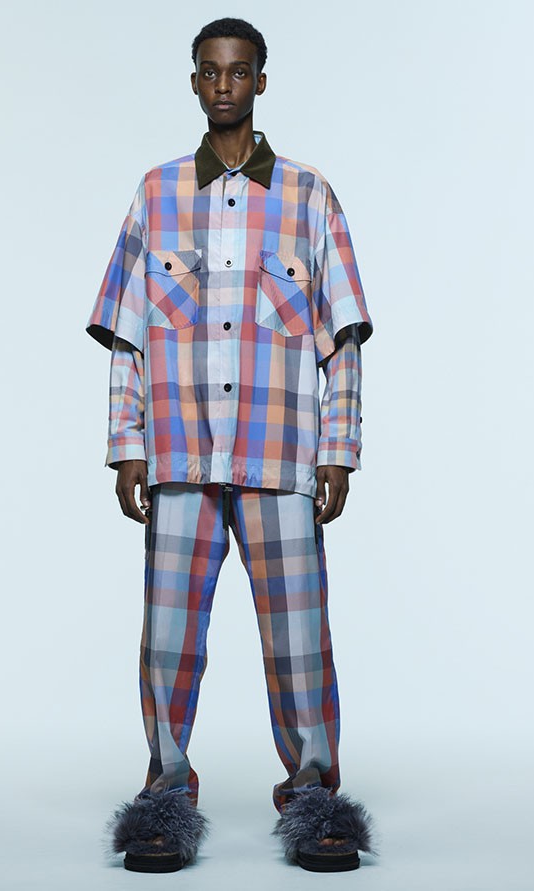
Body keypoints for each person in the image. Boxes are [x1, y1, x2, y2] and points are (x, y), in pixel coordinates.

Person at [86, 16, 379, 874]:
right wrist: (126, 442)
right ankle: (164, 797)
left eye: (239, 71)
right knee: (168, 639)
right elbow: (128, 335)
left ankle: (316, 798)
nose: (224, 85)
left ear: (260, 81)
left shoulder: (309, 195)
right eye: (210, 71)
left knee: (299, 638)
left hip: (280, 458)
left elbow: (342, 340)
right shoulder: (156, 193)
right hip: (178, 456)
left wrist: (339, 447)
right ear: (193, 82)